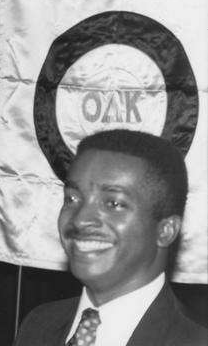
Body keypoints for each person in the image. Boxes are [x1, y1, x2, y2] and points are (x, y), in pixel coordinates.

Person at [13, 129, 207, 346]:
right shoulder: (40, 323)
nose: (80, 219)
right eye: (72, 198)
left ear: (165, 230)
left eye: (113, 203)